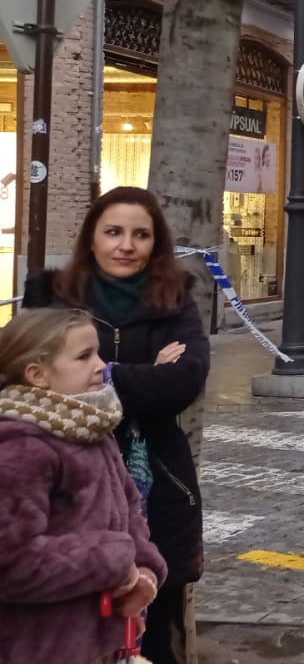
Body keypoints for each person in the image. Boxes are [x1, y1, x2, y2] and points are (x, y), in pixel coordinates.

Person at [22, 186, 210, 664]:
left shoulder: (175, 299)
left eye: (140, 235)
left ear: (156, 243)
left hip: (158, 485)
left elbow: (185, 381)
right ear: (91, 239)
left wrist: (99, 374)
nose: (126, 245)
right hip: (65, 485)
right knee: (71, 630)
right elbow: (30, 378)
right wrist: (144, 373)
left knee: (150, 627)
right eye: (113, 232)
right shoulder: (50, 295)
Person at [0, 308, 168, 664]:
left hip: (103, 641)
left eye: (97, 352)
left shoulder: (91, 431)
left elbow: (130, 515)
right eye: (83, 356)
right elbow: (11, 562)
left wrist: (145, 573)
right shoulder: (20, 448)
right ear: (38, 374)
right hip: (39, 647)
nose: (100, 365)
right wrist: (114, 560)